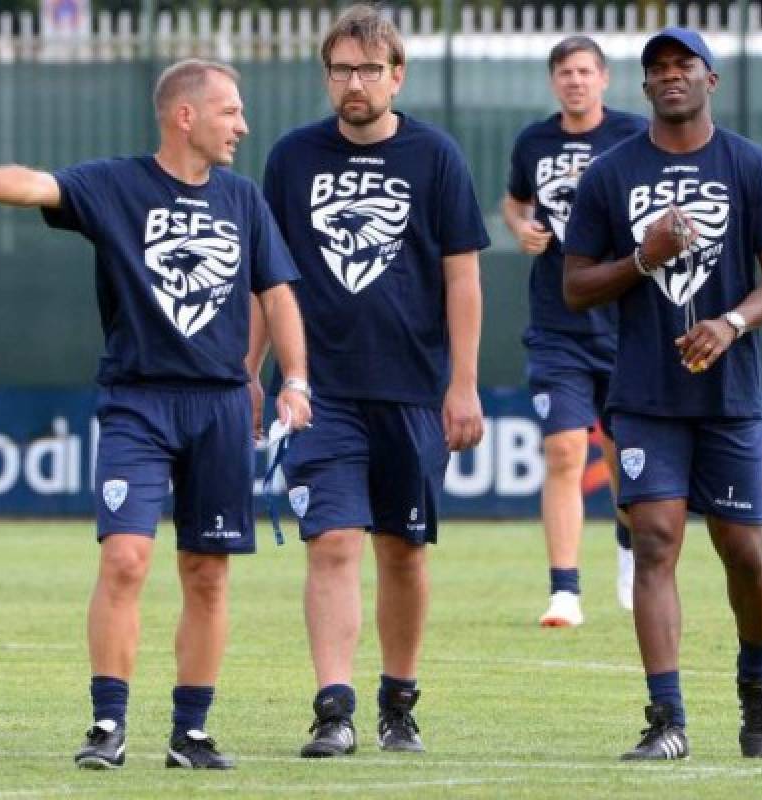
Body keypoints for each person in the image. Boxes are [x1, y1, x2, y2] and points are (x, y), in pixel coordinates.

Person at [0, 59, 311, 770]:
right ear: (184, 116)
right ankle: (108, 724)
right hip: (138, 400)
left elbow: (278, 295)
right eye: (230, 111)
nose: (243, 126)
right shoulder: (116, 185)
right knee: (126, 558)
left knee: (207, 571)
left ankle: (190, 734)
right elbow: (38, 182)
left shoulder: (245, 199)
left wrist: (297, 381)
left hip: (221, 405)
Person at [248, 4, 488, 758]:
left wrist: (464, 384)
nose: (355, 83)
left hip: (413, 390)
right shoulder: (289, 158)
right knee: (332, 542)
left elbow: (462, 279)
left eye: (369, 70)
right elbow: (268, 278)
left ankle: (399, 701)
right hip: (320, 392)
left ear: (397, 75)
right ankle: (334, 708)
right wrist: (248, 370)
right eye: (342, 70)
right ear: (328, 76)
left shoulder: (437, 157)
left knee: (403, 552)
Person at [563, 28, 762, 760]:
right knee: (657, 540)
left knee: (743, 552)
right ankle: (667, 719)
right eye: (658, 69)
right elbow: (575, 287)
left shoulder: (751, 166)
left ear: (710, 80)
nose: (671, 77)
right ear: (644, 89)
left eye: (683, 66)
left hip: (729, 393)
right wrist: (643, 256)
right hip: (643, 394)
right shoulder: (610, 175)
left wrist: (730, 324)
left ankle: (756, 684)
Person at [502, 36, 647, 627]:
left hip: (623, 320)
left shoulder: (634, 136)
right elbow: (515, 202)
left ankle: (630, 555)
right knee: (563, 449)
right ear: (553, 80)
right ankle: (564, 591)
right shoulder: (533, 142)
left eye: (585, 71)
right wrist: (521, 227)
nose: (575, 80)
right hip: (556, 321)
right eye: (565, 71)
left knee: (625, 457)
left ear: (605, 79)